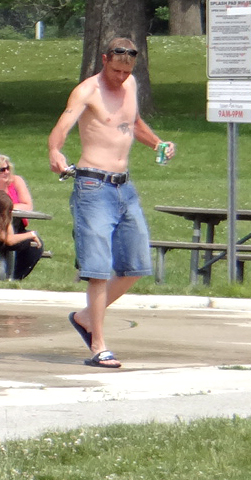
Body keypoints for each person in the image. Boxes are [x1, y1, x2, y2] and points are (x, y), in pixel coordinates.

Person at [49, 36, 174, 370]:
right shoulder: (87, 91)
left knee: (136, 264)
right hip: (92, 187)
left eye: (126, 70)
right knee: (98, 268)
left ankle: (86, 318)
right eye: (116, 69)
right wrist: (55, 152)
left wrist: (157, 144)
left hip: (124, 187)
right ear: (105, 59)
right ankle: (99, 345)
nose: (121, 76)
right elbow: (62, 125)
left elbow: (130, 123)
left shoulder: (130, 84)